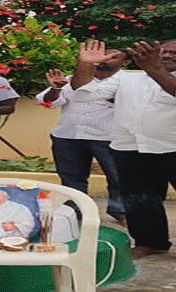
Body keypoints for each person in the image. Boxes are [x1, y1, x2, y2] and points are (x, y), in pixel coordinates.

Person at [69, 39, 176, 266]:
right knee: (138, 200)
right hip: (132, 148)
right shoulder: (127, 79)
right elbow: (84, 93)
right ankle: (150, 242)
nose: (166, 55)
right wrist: (85, 65)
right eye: (162, 51)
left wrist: (154, 67)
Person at [35, 50, 131, 223]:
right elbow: (47, 102)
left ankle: (120, 212)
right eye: (104, 55)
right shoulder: (72, 79)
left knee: (118, 177)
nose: (105, 59)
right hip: (68, 136)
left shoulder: (129, 82)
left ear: (125, 62)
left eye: (113, 57)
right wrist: (56, 88)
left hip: (109, 137)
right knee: (71, 179)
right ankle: (74, 212)